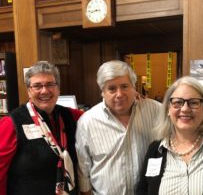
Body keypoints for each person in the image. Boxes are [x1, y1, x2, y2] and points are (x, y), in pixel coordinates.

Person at [75, 60, 161, 195]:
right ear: (102, 91)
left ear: (134, 87)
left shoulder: (157, 111)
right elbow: (83, 169)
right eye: (112, 88)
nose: (119, 94)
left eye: (124, 86)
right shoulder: (87, 122)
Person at [0, 61, 83, 195]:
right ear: (28, 91)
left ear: (58, 88)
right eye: (37, 86)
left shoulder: (73, 117)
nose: (44, 91)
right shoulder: (11, 123)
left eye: (50, 84)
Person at [136, 76, 203, 195]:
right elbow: (143, 190)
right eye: (177, 102)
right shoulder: (155, 149)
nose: (184, 109)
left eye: (194, 102)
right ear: (168, 109)